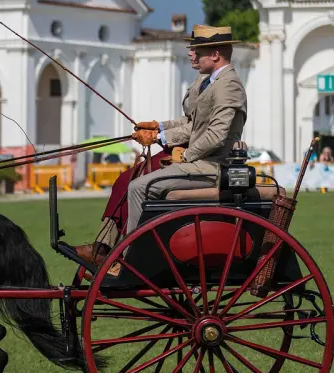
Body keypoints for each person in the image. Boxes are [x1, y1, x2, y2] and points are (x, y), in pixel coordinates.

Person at [73, 26, 209, 266]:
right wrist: (158, 126)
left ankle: (115, 249)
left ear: (212, 53)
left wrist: (158, 136)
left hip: (189, 154)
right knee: (124, 180)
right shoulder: (202, 81)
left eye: (194, 49)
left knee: (129, 182)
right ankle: (105, 245)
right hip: (177, 148)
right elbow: (188, 121)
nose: (189, 53)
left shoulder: (214, 85)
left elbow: (199, 129)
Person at [125, 25, 247, 235]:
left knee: (138, 187)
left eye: (198, 52)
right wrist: (159, 128)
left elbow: (216, 135)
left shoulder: (228, 85)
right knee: (136, 181)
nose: (193, 56)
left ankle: (131, 251)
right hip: (203, 163)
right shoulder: (215, 81)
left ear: (215, 55)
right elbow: (196, 123)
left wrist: (185, 156)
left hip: (212, 167)